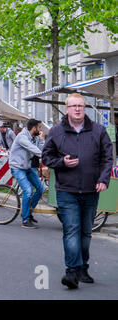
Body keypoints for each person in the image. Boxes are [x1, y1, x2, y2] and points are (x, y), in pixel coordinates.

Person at [42, 93, 113, 289]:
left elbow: (108, 157)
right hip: (67, 190)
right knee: (72, 229)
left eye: (81, 105)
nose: (78, 109)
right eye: (73, 106)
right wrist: (61, 163)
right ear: (67, 109)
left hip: (91, 189)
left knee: (86, 232)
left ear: (85, 108)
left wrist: (103, 179)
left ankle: (83, 268)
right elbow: (46, 157)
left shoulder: (98, 130)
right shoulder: (56, 132)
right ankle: (72, 271)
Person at [9, 119, 46, 229]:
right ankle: (25, 220)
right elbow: (33, 149)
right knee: (28, 190)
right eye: (39, 128)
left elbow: (39, 150)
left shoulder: (33, 138)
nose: (40, 130)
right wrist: (46, 156)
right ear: (34, 128)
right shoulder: (22, 137)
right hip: (17, 168)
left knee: (41, 188)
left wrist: (41, 140)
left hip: (27, 167)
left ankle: (28, 211)